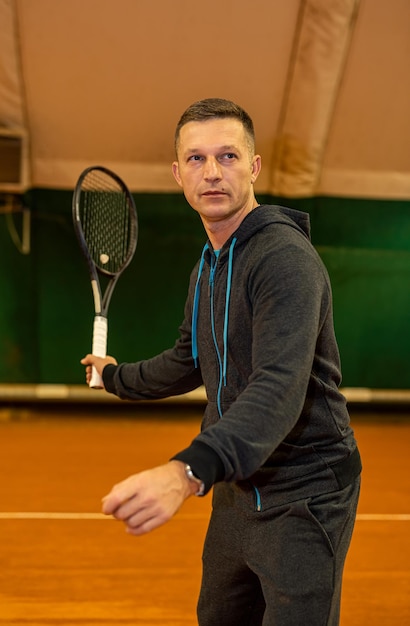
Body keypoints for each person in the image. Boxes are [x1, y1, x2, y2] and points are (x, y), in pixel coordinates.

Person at [81, 98, 361, 626]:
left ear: (254, 168)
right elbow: (189, 359)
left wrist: (187, 471)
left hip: (305, 489)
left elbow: (278, 387)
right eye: (196, 159)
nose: (211, 172)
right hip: (236, 489)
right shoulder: (208, 266)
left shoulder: (285, 260)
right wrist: (116, 376)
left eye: (228, 156)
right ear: (177, 173)